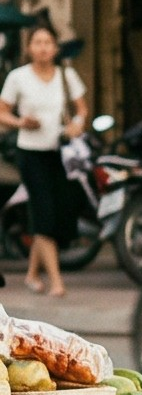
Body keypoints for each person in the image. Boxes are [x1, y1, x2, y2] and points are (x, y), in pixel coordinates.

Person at [0, 22, 85, 295]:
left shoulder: (66, 75)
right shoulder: (18, 77)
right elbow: (2, 113)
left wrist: (77, 125)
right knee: (44, 213)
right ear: (29, 48)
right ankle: (57, 281)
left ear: (56, 48)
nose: (43, 48)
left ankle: (32, 273)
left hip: (59, 154)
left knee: (57, 215)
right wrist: (20, 122)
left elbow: (82, 109)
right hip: (29, 153)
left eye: (48, 42)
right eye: (37, 42)